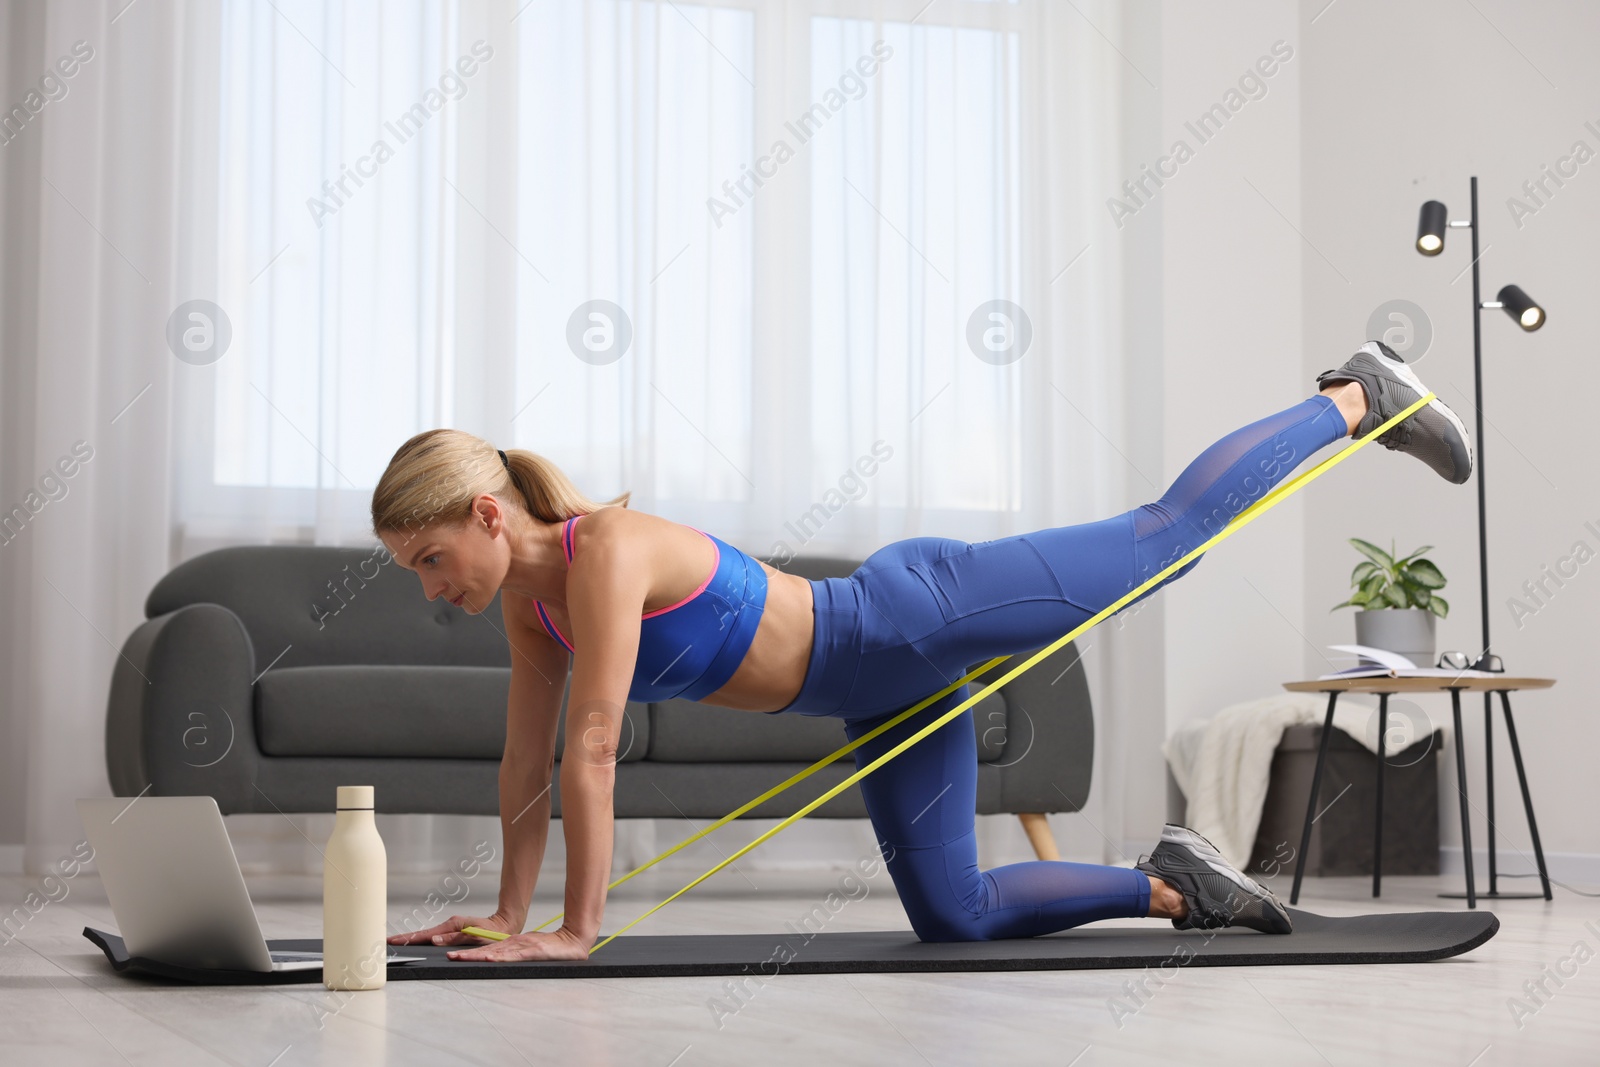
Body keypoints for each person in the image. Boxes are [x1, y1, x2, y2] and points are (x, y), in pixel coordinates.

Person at [379, 340, 1472, 961]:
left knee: (1162, 544)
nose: (430, 589)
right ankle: (1175, 887)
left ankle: (1355, 395)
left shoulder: (603, 552)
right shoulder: (534, 611)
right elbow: (525, 768)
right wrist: (504, 917)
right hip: (881, 697)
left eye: (429, 558)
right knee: (954, 915)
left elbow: (593, 744)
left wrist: (576, 932)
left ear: (485, 514)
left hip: (908, 615)